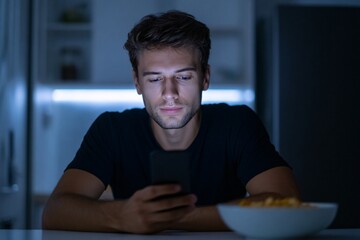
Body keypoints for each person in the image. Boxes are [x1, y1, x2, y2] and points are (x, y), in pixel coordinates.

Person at [42, 10, 299, 234]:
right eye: (155, 79)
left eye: (184, 77)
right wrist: (121, 216)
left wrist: (172, 217)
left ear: (205, 78)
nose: (169, 93)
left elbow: (286, 202)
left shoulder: (237, 123)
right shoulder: (112, 129)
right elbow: (55, 211)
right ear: (137, 82)